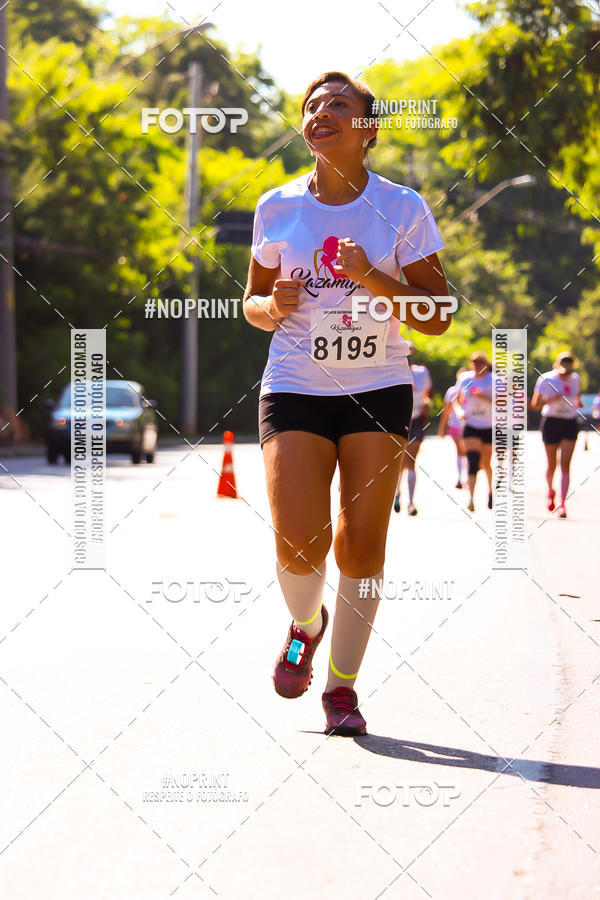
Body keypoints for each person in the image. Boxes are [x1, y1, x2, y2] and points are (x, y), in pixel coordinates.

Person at [242, 70, 451, 736]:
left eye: (339, 103)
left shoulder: (402, 207)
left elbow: (438, 315)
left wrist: (371, 277)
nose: (322, 111)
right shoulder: (277, 206)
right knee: (298, 543)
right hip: (295, 385)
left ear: (368, 129)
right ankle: (307, 624)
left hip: (377, 386)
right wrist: (271, 305)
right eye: (312, 105)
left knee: (361, 547)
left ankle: (341, 689)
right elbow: (252, 305)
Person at [531, 351, 582, 518]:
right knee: (552, 464)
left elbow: (576, 396)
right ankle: (550, 490)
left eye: (569, 371)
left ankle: (562, 503)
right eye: (563, 372)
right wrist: (552, 399)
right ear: (556, 366)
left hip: (569, 422)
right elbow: (535, 404)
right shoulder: (546, 379)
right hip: (551, 422)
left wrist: (578, 402)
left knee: (565, 464)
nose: (566, 375)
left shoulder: (576, 378)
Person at [393, 343, 432, 515]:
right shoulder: (393, 371)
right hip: (397, 420)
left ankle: (411, 502)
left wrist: (426, 404)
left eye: (410, 357)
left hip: (416, 420)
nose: (408, 360)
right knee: (398, 462)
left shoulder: (422, 373)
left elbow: (427, 394)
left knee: (410, 460)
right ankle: (396, 495)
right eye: (405, 356)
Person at [457, 352, 494, 512]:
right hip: (470, 424)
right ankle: (471, 498)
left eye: (481, 362)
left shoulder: (494, 380)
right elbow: (456, 399)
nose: (478, 366)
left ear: (486, 364)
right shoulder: (464, 378)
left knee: (485, 463)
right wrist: (459, 411)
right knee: (472, 460)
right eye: (475, 362)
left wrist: (483, 396)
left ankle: (491, 492)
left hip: (488, 426)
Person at [438, 367, 468, 488]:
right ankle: (459, 478)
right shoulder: (451, 391)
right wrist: (442, 428)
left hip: (467, 424)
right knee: (459, 450)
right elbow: (446, 411)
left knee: (466, 450)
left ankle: (467, 477)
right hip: (454, 424)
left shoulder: (469, 389)